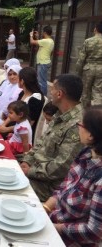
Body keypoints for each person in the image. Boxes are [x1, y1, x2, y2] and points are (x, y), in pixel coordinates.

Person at [43, 105, 102, 247]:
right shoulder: (86, 154)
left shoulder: (100, 180)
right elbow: (64, 187)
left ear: (91, 135)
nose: (78, 127)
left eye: (81, 124)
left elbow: (94, 231)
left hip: (70, 240)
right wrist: (45, 208)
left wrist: (55, 228)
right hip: (55, 220)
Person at [20, 74, 84, 201]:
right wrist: (26, 161)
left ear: (60, 94)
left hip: (48, 187)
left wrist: (30, 171)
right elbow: (41, 142)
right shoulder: (60, 115)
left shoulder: (78, 125)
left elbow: (61, 167)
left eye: (53, 89)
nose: (51, 92)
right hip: (35, 172)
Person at [0, 67, 44, 139]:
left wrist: (7, 129)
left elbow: (29, 124)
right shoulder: (22, 93)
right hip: (14, 126)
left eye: (18, 78)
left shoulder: (36, 99)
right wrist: (3, 125)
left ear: (22, 81)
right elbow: (13, 111)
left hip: (22, 134)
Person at [76, 21, 102, 108]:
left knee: (85, 92)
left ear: (95, 29)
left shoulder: (88, 41)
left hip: (88, 69)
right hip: (101, 69)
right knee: (98, 92)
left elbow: (81, 59)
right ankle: (98, 114)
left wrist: (78, 73)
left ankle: (84, 114)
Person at [30, 26, 54, 96]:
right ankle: (41, 94)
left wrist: (31, 35)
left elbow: (32, 42)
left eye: (43, 32)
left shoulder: (45, 41)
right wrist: (37, 37)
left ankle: (43, 96)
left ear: (45, 32)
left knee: (42, 81)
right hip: (45, 62)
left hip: (43, 63)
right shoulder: (51, 41)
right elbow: (40, 45)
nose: (42, 33)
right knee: (42, 80)